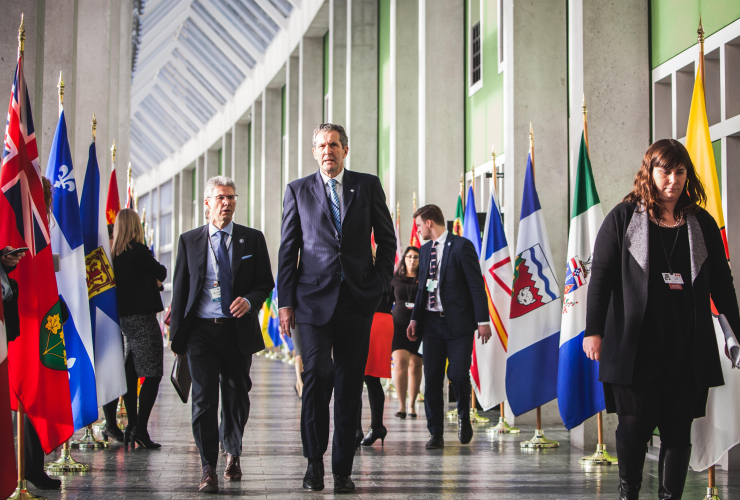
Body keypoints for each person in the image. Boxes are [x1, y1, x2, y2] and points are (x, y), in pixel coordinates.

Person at [584, 139, 740, 500]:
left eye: (680, 171)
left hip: (687, 346)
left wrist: (737, 330)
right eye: (665, 171)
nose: (673, 179)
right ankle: (629, 493)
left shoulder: (701, 222)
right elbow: (602, 277)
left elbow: (722, 283)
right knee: (634, 427)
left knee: (677, 431)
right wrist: (593, 331)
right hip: (635, 347)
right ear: (649, 173)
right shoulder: (623, 217)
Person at [277, 123, 395, 493]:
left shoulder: (368, 185)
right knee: (316, 377)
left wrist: (377, 286)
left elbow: (388, 240)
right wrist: (285, 302)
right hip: (310, 303)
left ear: (346, 150)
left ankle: (342, 470)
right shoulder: (298, 190)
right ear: (314, 152)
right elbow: (287, 249)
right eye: (321, 145)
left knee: (348, 386)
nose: (328, 150)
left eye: (334, 144)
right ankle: (314, 463)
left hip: (357, 302)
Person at [170, 175, 274, 494]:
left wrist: (250, 300)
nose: (227, 203)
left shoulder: (251, 239)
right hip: (201, 331)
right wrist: (177, 340)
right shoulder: (189, 240)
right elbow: (180, 289)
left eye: (231, 197)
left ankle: (233, 453)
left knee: (236, 396)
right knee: (203, 400)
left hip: (236, 331)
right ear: (207, 204)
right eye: (220, 198)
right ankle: (207, 466)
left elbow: (265, 283)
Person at [407, 204, 490, 450]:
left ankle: (464, 416)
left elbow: (476, 286)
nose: (418, 229)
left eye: (420, 224)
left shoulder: (462, 246)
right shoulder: (424, 251)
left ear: (429, 222)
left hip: (458, 325)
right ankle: (436, 433)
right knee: (431, 380)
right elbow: (423, 288)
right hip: (431, 324)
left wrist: (482, 321)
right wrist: (414, 318)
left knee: (456, 374)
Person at [110, 208, 167, 449]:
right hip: (142, 318)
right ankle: (141, 428)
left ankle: (132, 426)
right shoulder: (138, 250)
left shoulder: (114, 254)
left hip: (123, 318)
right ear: (135, 226)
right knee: (153, 373)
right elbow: (161, 272)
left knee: (131, 372)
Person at [357, 246, 394, 447]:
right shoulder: (382, 267)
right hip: (381, 318)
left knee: (356, 376)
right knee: (371, 378)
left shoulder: (360, 269)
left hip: (370, 319)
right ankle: (376, 426)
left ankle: (357, 429)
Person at [389, 246, 422, 418]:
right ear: (404, 259)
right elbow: (387, 302)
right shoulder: (395, 279)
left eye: (416, 257)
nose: (412, 260)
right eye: (409, 257)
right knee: (400, 363)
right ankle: (401, 406)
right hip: (398, 327)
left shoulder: (424, 278)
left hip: (419, 327)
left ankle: (412, 405)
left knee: (416, 365)